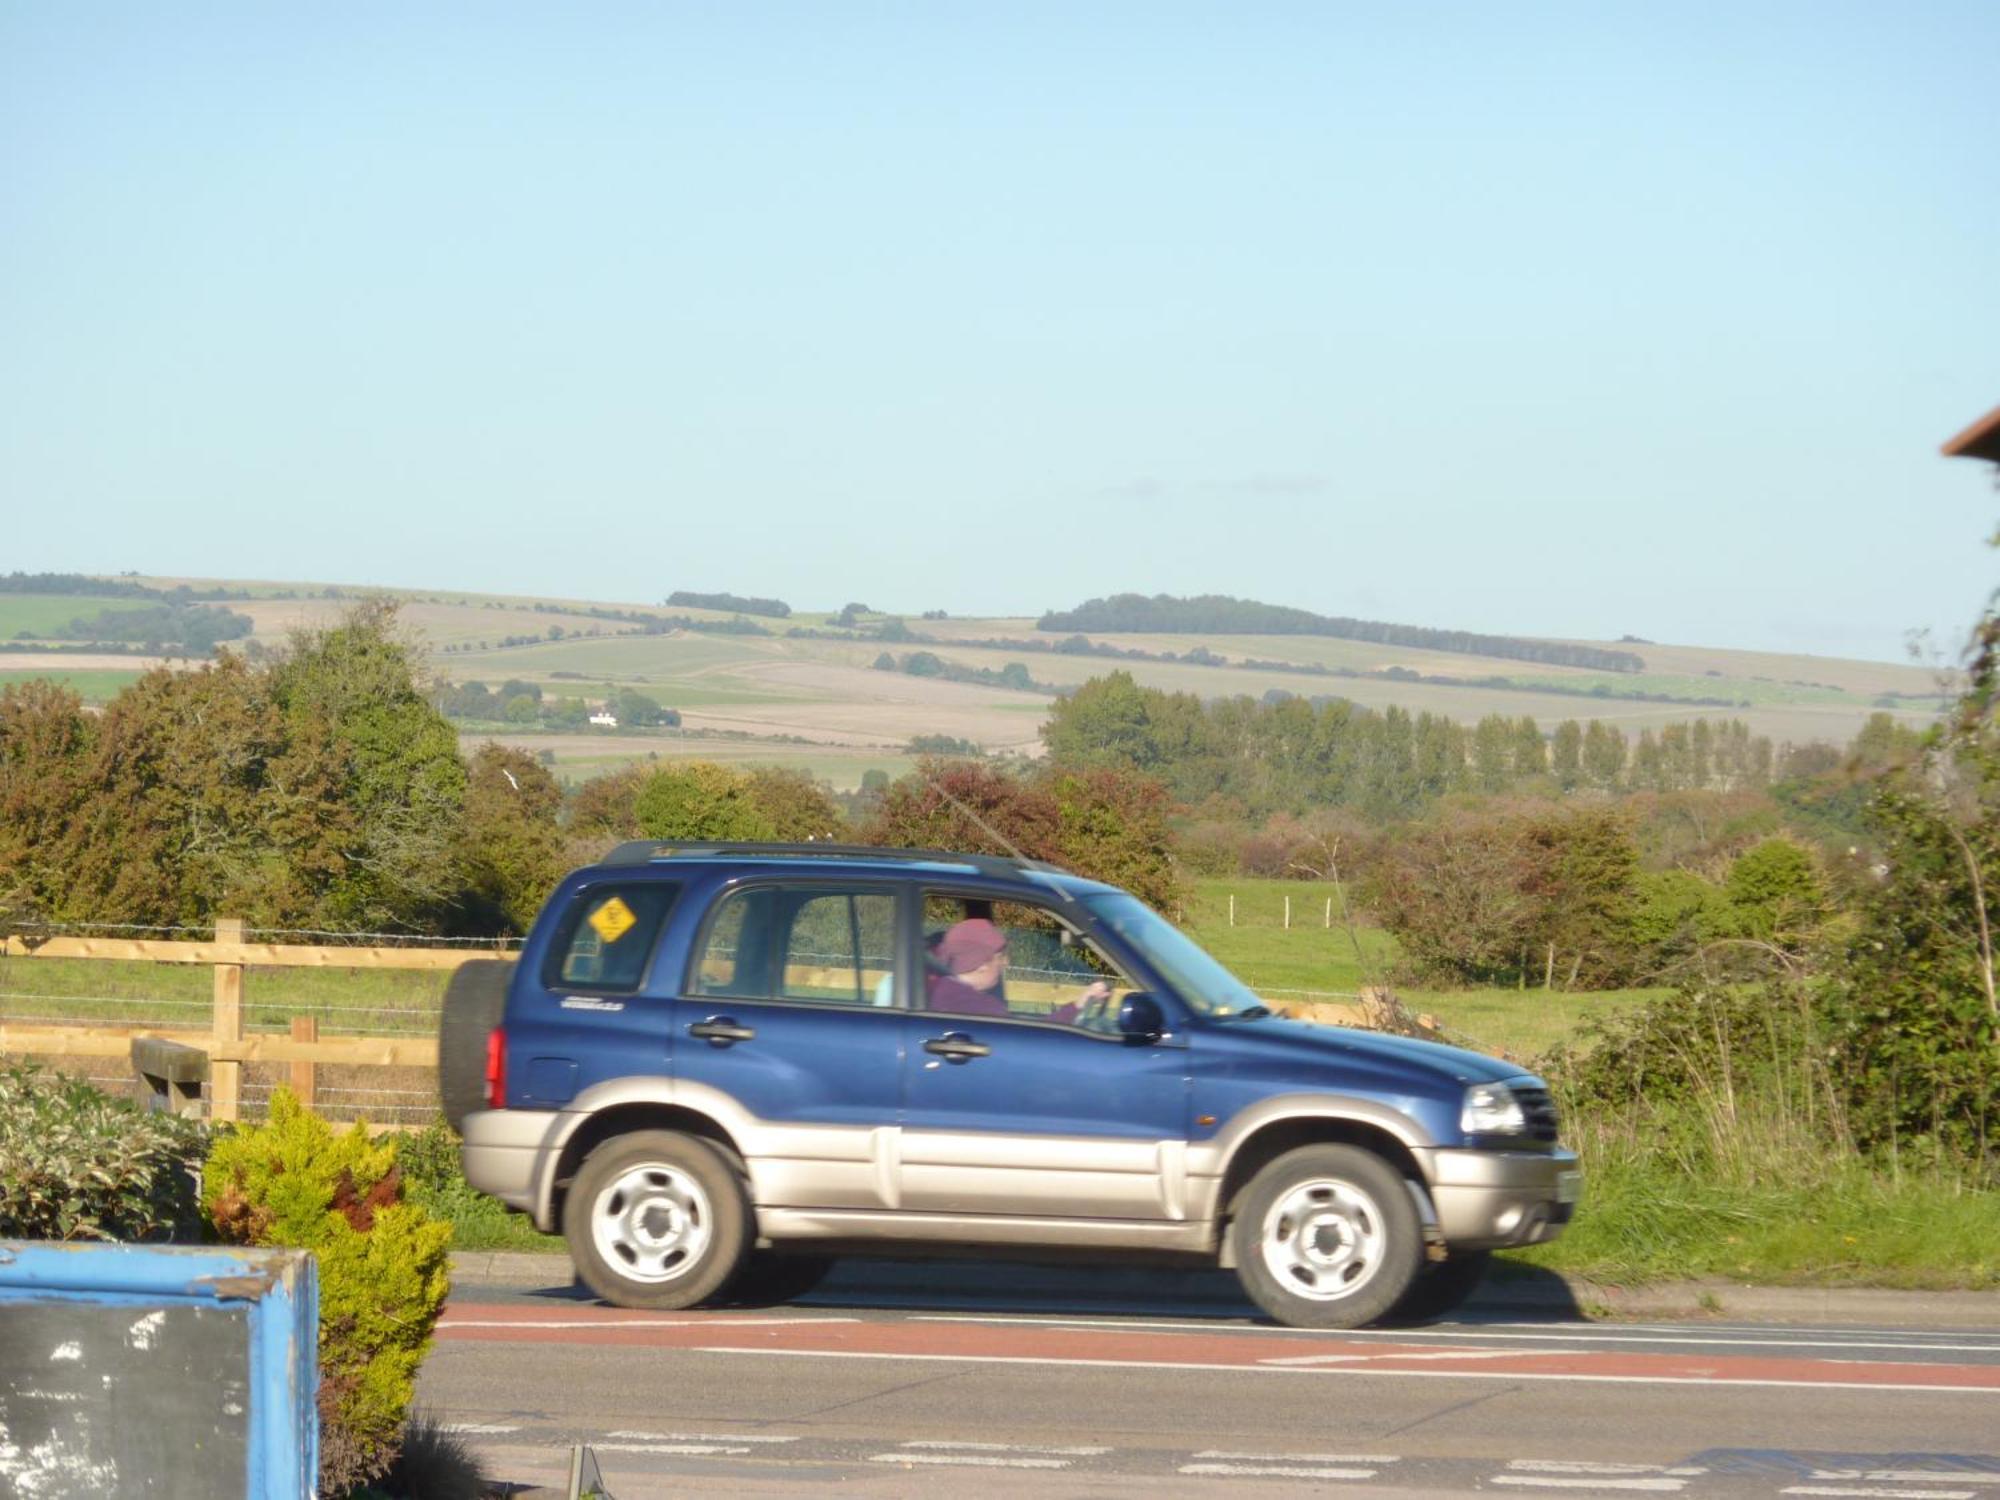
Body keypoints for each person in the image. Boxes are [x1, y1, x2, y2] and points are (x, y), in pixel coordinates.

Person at [926, 917, 1112, 1024]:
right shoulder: (971, 1005)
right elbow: (1034, 1040)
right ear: (981, 963)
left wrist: (1080, 1003)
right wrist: (1076, 1007)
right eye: (1000, 957)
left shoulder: (954, 994)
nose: (1006, 963)